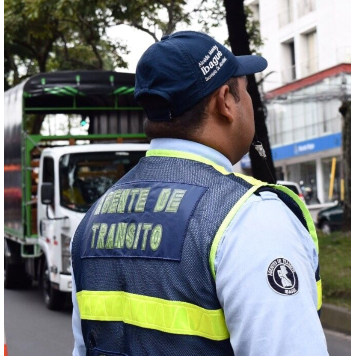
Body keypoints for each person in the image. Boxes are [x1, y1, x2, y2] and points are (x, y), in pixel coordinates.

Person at [70, 31, 327, 355]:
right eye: (246, 91)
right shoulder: (249, 218)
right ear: (224, 102)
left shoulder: (92, 220)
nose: (250, 102)